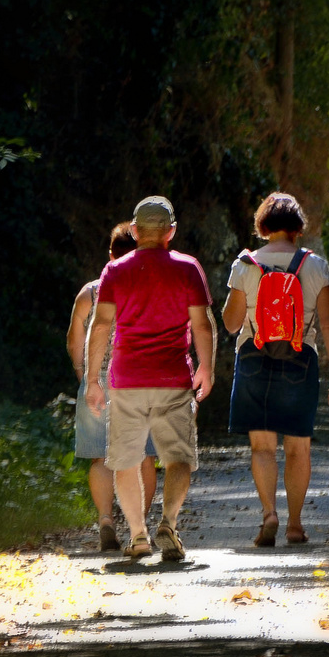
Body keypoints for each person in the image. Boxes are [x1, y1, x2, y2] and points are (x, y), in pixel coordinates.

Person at [85, 196, 215, 561]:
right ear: (170, 232)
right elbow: (202, 324)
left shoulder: (115, 271)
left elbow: (101, 326)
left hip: (126, 380)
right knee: (178, 458)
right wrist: (206, 367)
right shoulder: (188, 268)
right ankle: (169, 523)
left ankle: (139, 535)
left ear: (136, 231)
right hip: (173, 378)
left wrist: (93, 378)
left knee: (125, 459)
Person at [221, 192, 329, 546]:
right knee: (299, 448)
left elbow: (232, 324)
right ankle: (294, 524)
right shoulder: (314, 265)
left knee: (262, 447)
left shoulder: (244, 264)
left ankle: (269, 514)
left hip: (253, 356)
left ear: (262, 226)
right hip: (299, 358)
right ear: (297, 228)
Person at [66, 222, 158, 552]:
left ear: (110, 255)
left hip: (99, 384)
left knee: (101, 458)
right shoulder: (150, 290)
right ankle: (139, 525)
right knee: (145, 456)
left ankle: (106, 519)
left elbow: (75, 340)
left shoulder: (89, 293)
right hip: (138, 384)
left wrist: (85, 377)